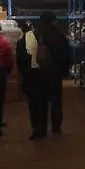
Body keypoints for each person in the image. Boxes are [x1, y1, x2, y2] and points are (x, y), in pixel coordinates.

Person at [20, 11, 70, 140]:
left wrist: (25, 73)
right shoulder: (59, 36)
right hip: (54, 74)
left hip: (35, 74)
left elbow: (21, 56)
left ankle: (39, 128)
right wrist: (63, 71)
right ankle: (56, 126)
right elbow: (66, 56)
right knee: (56, 101)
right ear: (53, 21)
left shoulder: (30, 35)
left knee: (38, 103)